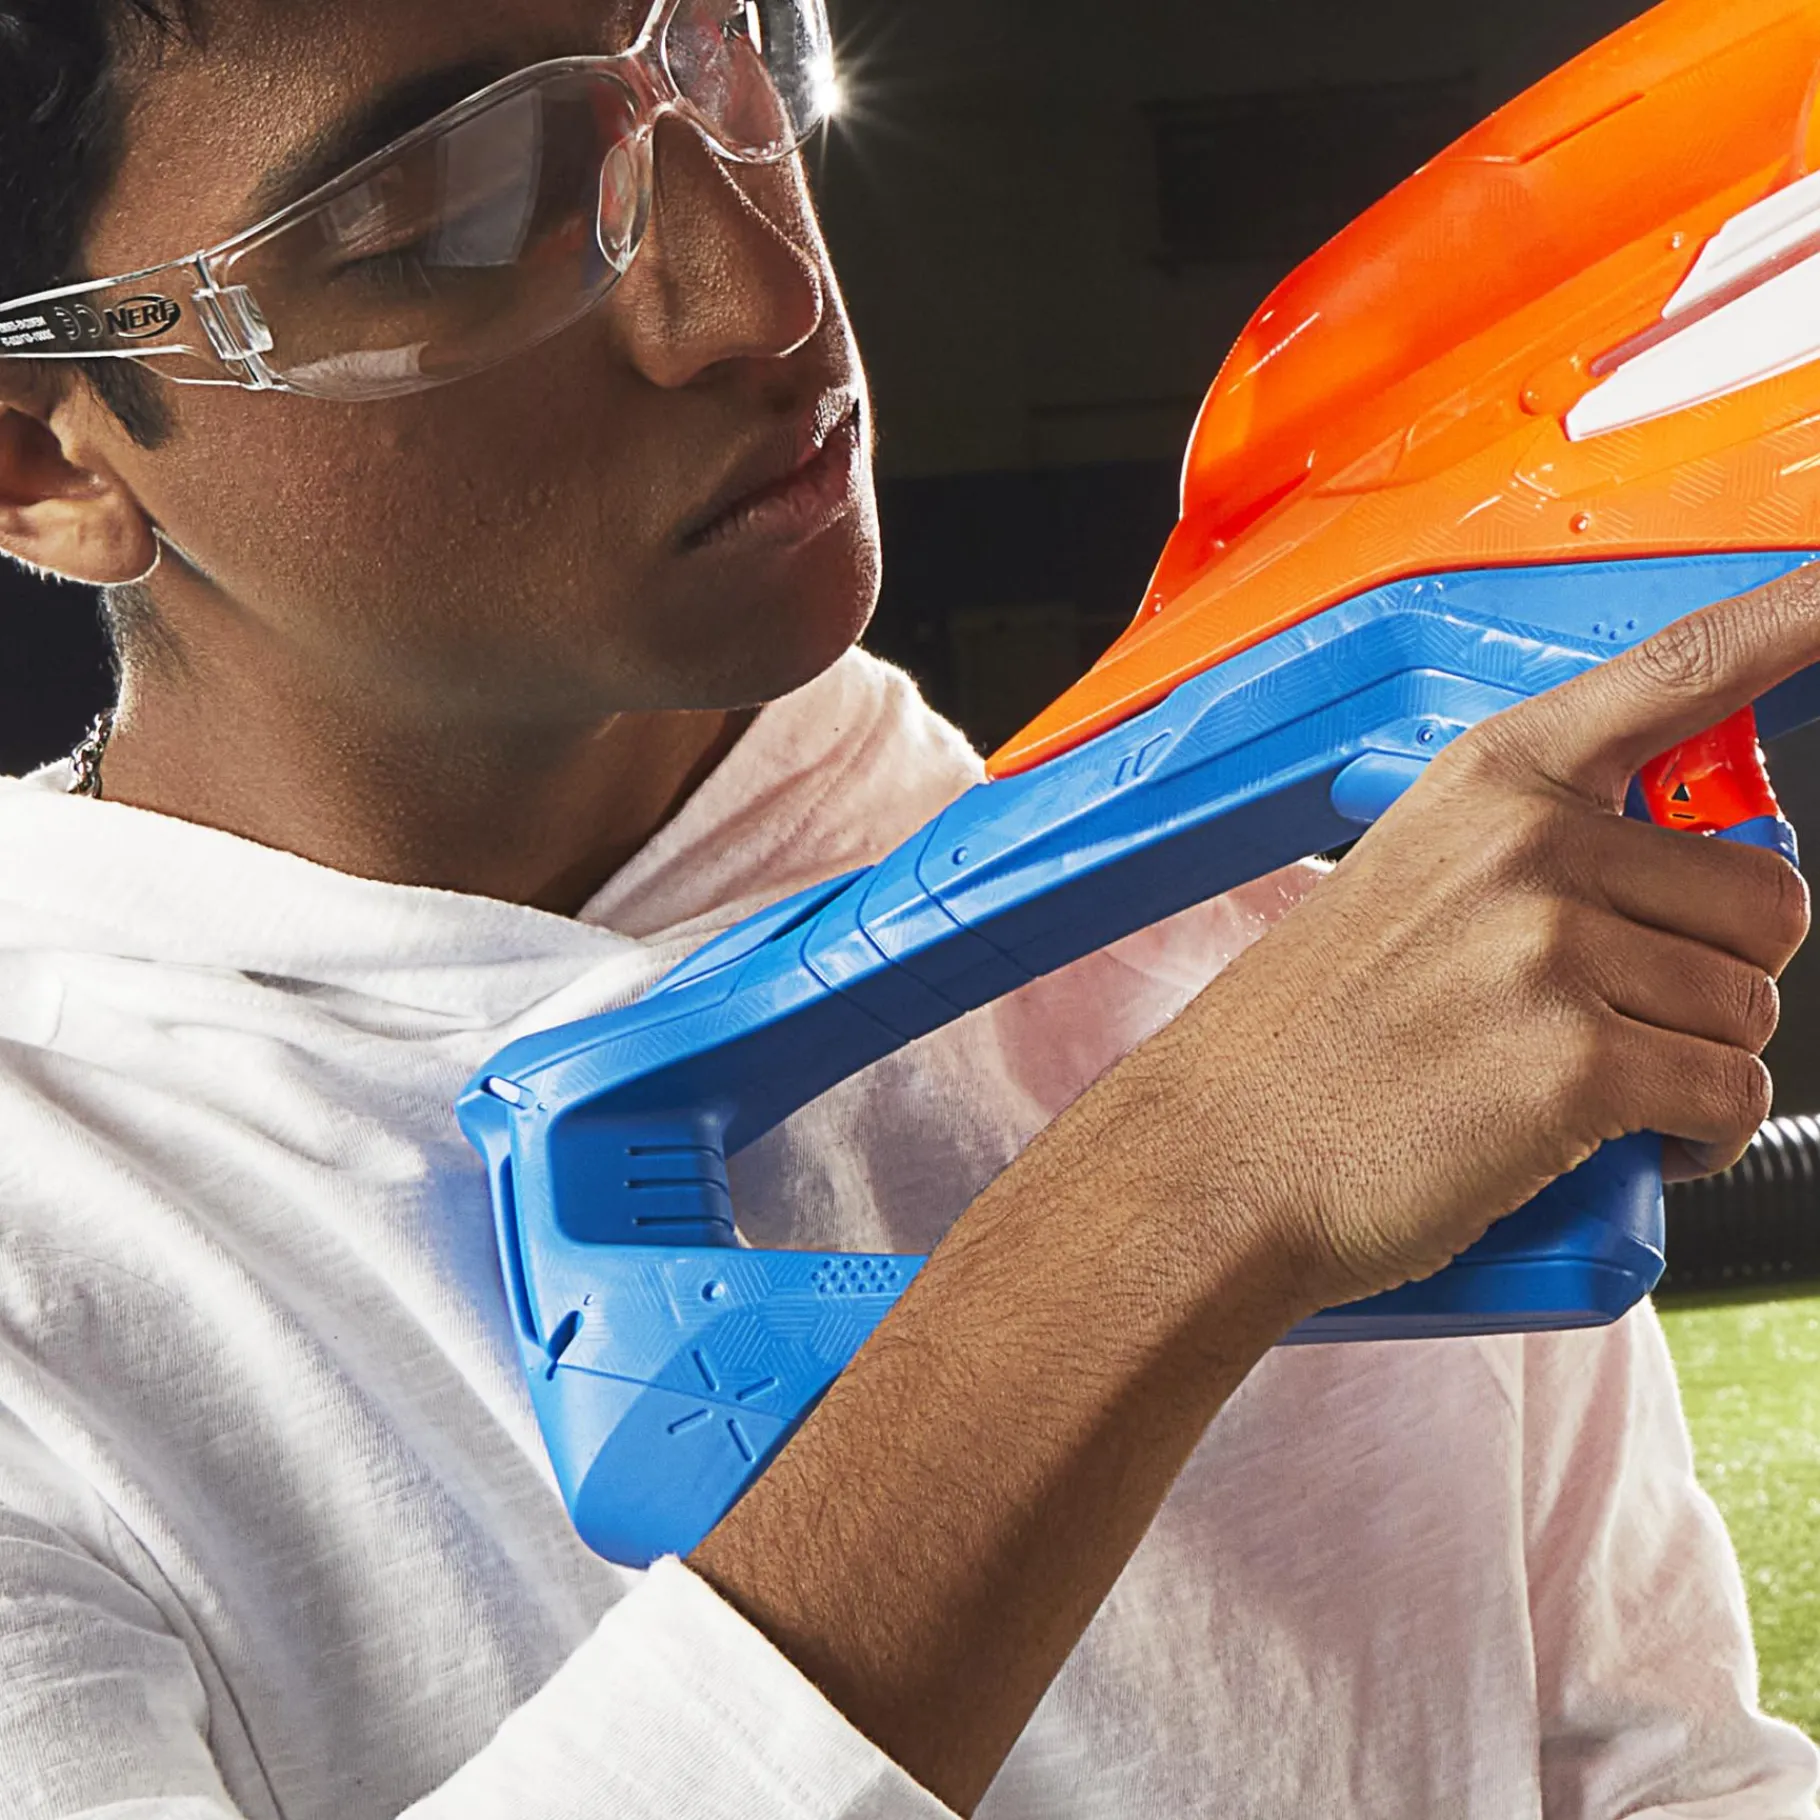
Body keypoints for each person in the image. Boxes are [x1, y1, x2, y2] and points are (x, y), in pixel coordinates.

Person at [0, 1, 1815, 1816]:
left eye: (721, 48)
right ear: (45, 461)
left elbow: (1660, 1778)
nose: (756, 291)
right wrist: (1180, 1199)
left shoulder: (1300, 917)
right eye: (454, 218)